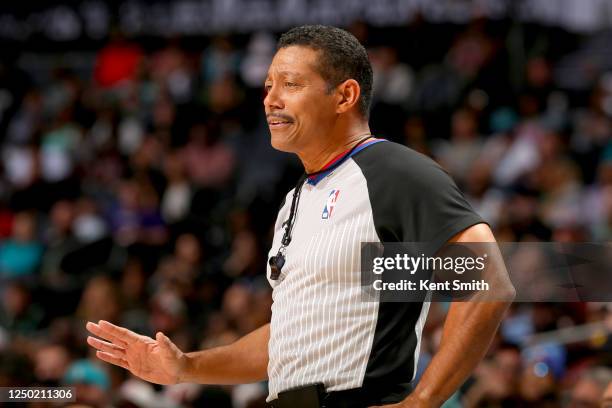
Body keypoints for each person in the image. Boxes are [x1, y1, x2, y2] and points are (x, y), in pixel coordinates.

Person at [86, 25, 514, 407]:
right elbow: (286, 338)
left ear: (345, 95)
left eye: (290, 84)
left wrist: (423, 400)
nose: (271, 99)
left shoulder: (393, 172)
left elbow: (488, 281)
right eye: (269, 86)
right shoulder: (296, 199)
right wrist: (185, 366)